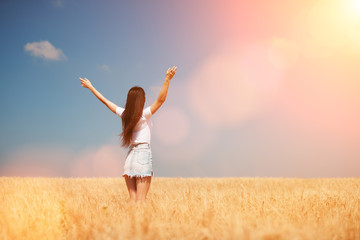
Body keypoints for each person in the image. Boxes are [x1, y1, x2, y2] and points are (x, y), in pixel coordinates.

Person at [79, 66, 177, 203]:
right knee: (141, 201)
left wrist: (91, 87)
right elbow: (160, 100)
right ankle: (137, 225)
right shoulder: (144, 115)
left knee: (133, 200)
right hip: (143, 154)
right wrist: (167, 79)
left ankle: (128, 224)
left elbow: (106, 102)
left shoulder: (125, 114)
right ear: (142, 100)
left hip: (130, 158)